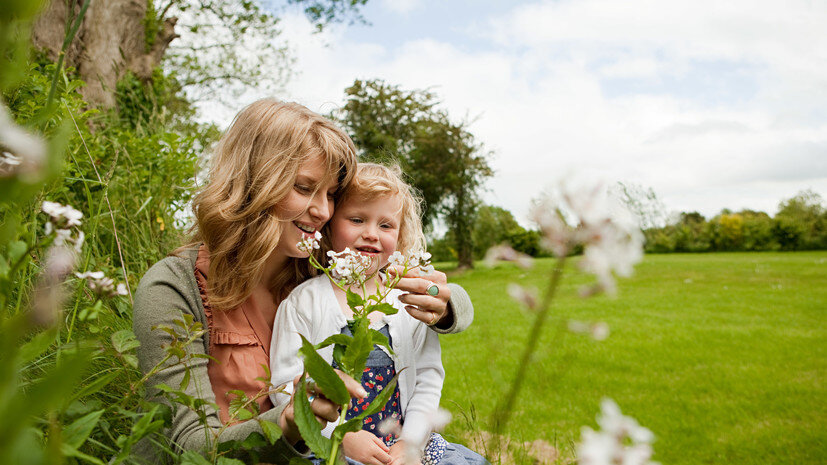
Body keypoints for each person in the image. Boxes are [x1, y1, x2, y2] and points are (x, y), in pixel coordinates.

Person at [132, 99, 475, 463]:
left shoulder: (318, 268)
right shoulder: (174, 287)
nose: (323, 211)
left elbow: (444, 313)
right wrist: (293, 423)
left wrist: (444, 304)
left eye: (330, 194)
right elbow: (187, 446)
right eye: (304, 188)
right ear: (254, 182)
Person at [269, 163, 486, 465]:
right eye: (357, 220)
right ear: (329, 228)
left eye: (386, 226)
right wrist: (340, 437)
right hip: (332, 450)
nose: (371, 234)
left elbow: (427, 376)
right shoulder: (304, 302)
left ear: (400, 234)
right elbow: (284, 384)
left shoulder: (407, 300)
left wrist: (411, 443)